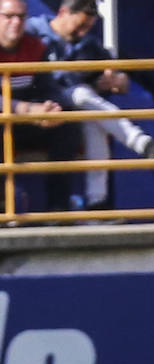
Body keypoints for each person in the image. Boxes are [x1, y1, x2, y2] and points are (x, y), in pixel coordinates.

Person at [28, 0, 154, 213]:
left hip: (70, 113)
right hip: (36, 106)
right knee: (81, 95)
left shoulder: (87, 43)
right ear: (62, 12)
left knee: (93, 120)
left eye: (88, 27)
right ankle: (143, 144)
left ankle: (97, 203)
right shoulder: (32, 30)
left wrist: (115, 80)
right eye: (78, 25)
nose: (82, 32)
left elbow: (110, 72)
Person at [0, 0, 80, 209]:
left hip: (26, 123)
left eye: (21, 17)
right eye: (8, 16)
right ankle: (4, 205)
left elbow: (47, 86)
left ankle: (58, 209)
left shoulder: (36, 46)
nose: (15, 22)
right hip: (8, 119)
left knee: (66, 124)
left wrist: (51, 109)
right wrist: (25, 109)